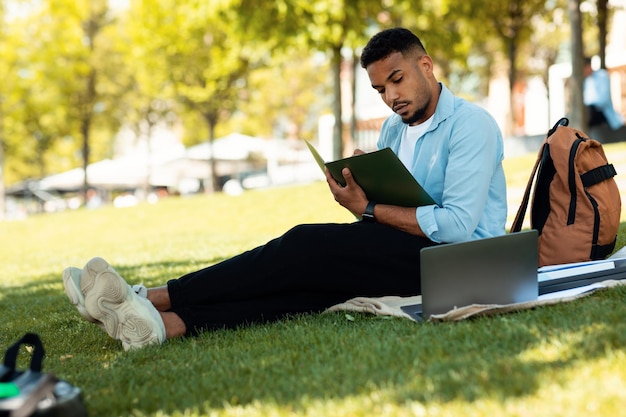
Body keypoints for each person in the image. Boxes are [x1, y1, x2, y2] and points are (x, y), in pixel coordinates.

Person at [62, 27, 508, 351]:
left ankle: (153, 296)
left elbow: (454, 227)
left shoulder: (471, 125)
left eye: (397, 80)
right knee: (311, 288)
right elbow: (383, 216)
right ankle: (168, 325)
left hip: (463, 266)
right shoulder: (394, 130)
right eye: (379, 89)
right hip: (409, 251)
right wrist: (357, 196)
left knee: (303, 244)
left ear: (425, 66)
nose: (391, 97)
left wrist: (368, 207)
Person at [583, 56, 624, 131]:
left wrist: (590, 104)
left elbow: (604, 99)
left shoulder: (602, 75)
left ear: (588, 66)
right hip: (591, 112)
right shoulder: (586, 81)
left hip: (602, 112)